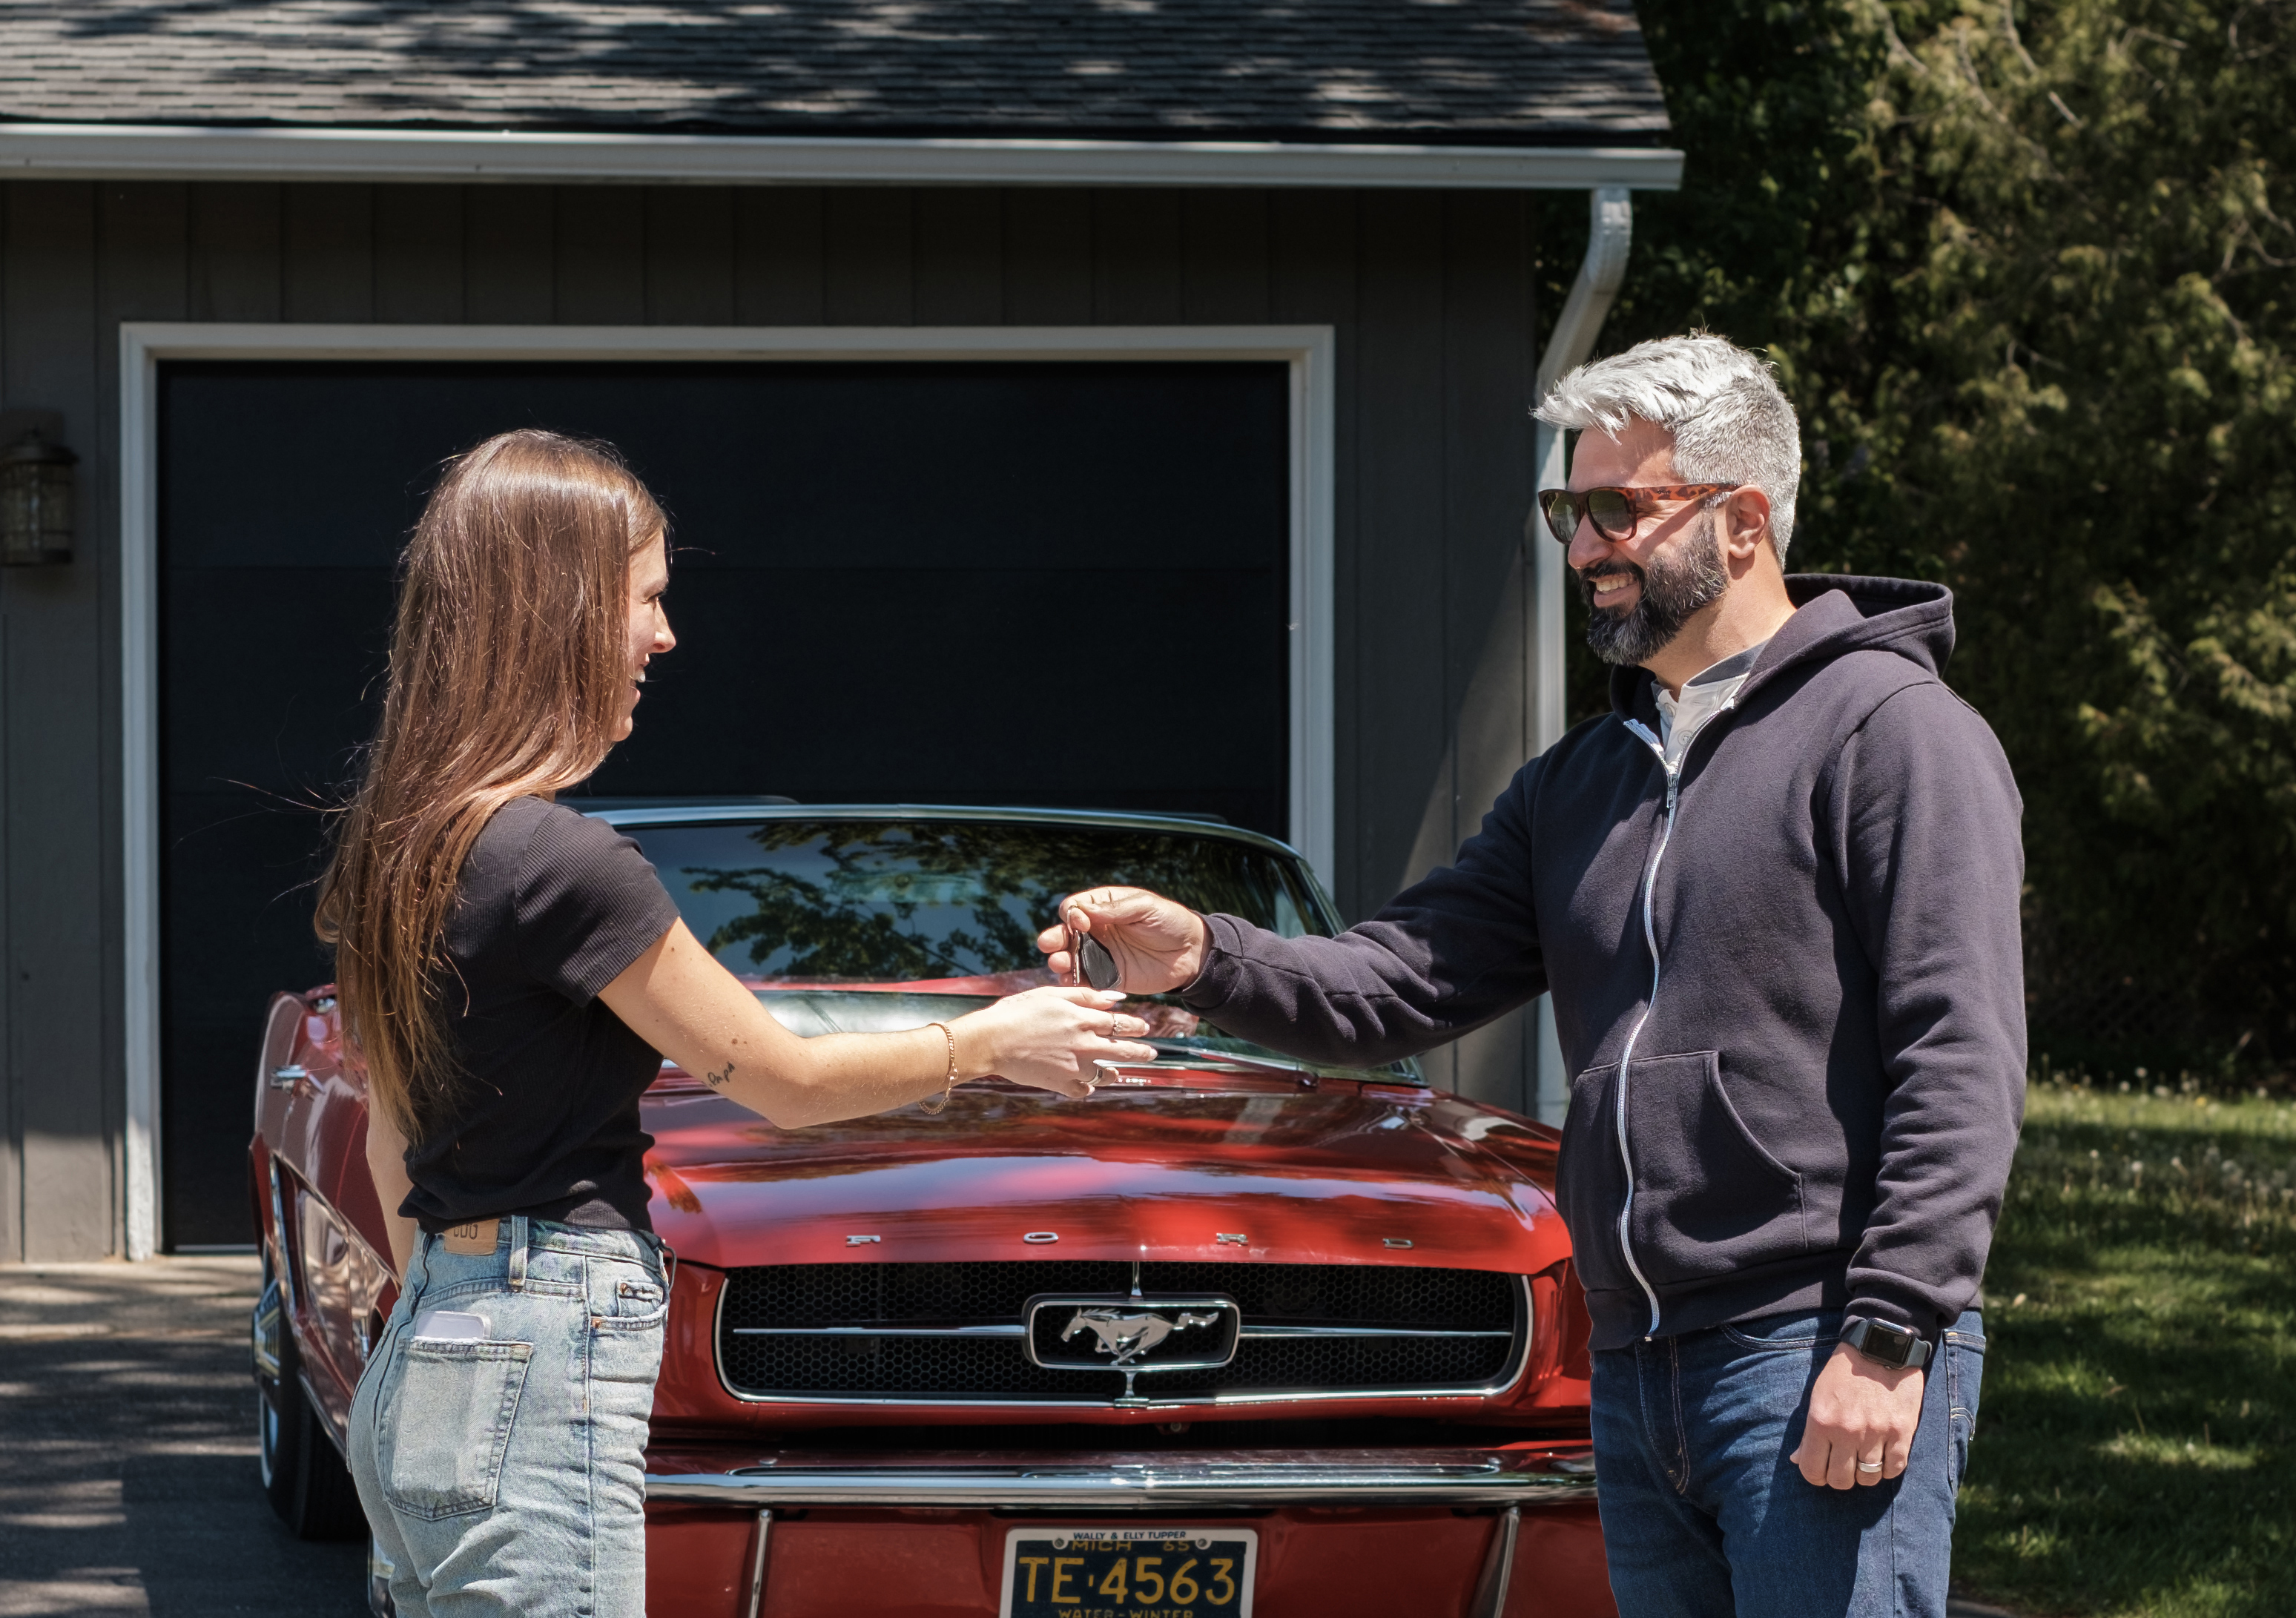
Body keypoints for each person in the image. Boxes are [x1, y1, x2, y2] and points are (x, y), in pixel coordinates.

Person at [1040, 335, 2024, 1617]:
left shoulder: (1896, 735)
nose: (1582, 550)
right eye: (1570, 511)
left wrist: (1890, 1336)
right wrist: (1207, 956)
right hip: (1637, 1364)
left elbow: (1961, 1056)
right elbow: (1394, 981)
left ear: (1740, 522)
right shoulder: (1581, 782)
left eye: (1618, 508)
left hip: (1814, 1341)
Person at [317, 429, 1155, 1617]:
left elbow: (397, 1141)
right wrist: (993, 1041)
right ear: (557, 609)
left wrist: (463, 1328)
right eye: (647, 598)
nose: (666, 635)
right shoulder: (563, 862)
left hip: (429, 1348)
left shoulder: (409, 846)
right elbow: (786, 1078)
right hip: (540, 1343)